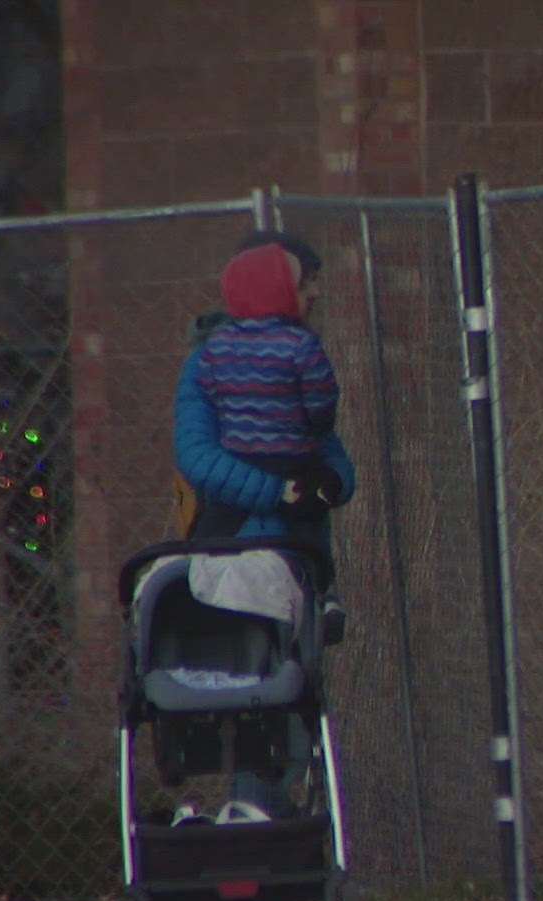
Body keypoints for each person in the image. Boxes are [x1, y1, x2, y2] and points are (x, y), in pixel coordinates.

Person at [172, 229, 355, 817]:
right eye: (306, 283)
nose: (317, 295)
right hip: (239, 547)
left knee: (296, 691)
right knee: (256, 689)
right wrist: (281, 491)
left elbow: (327, 446)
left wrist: (333, 483)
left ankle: (276, 828)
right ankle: (256, 818)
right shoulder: (209, 365)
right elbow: (198, 458)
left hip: (298, 554)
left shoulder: (296, 359)